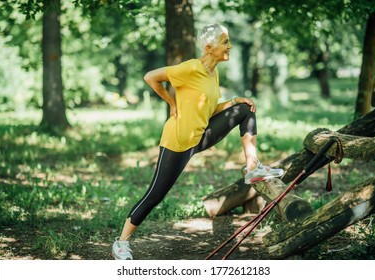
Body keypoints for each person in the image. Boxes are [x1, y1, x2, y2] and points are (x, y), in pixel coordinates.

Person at [112, 23, 284, 260]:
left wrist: (234, 102)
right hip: (179, 142)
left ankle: (253, 167)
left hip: (201, 136)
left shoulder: (214, 74)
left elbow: (210, 110)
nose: (230, 46)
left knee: (245, 109)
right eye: (225, 42)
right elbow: (151, 77)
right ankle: (121, 243)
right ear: (209, 47)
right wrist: (172, 103)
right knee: (155, 195)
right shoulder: (190, 68)